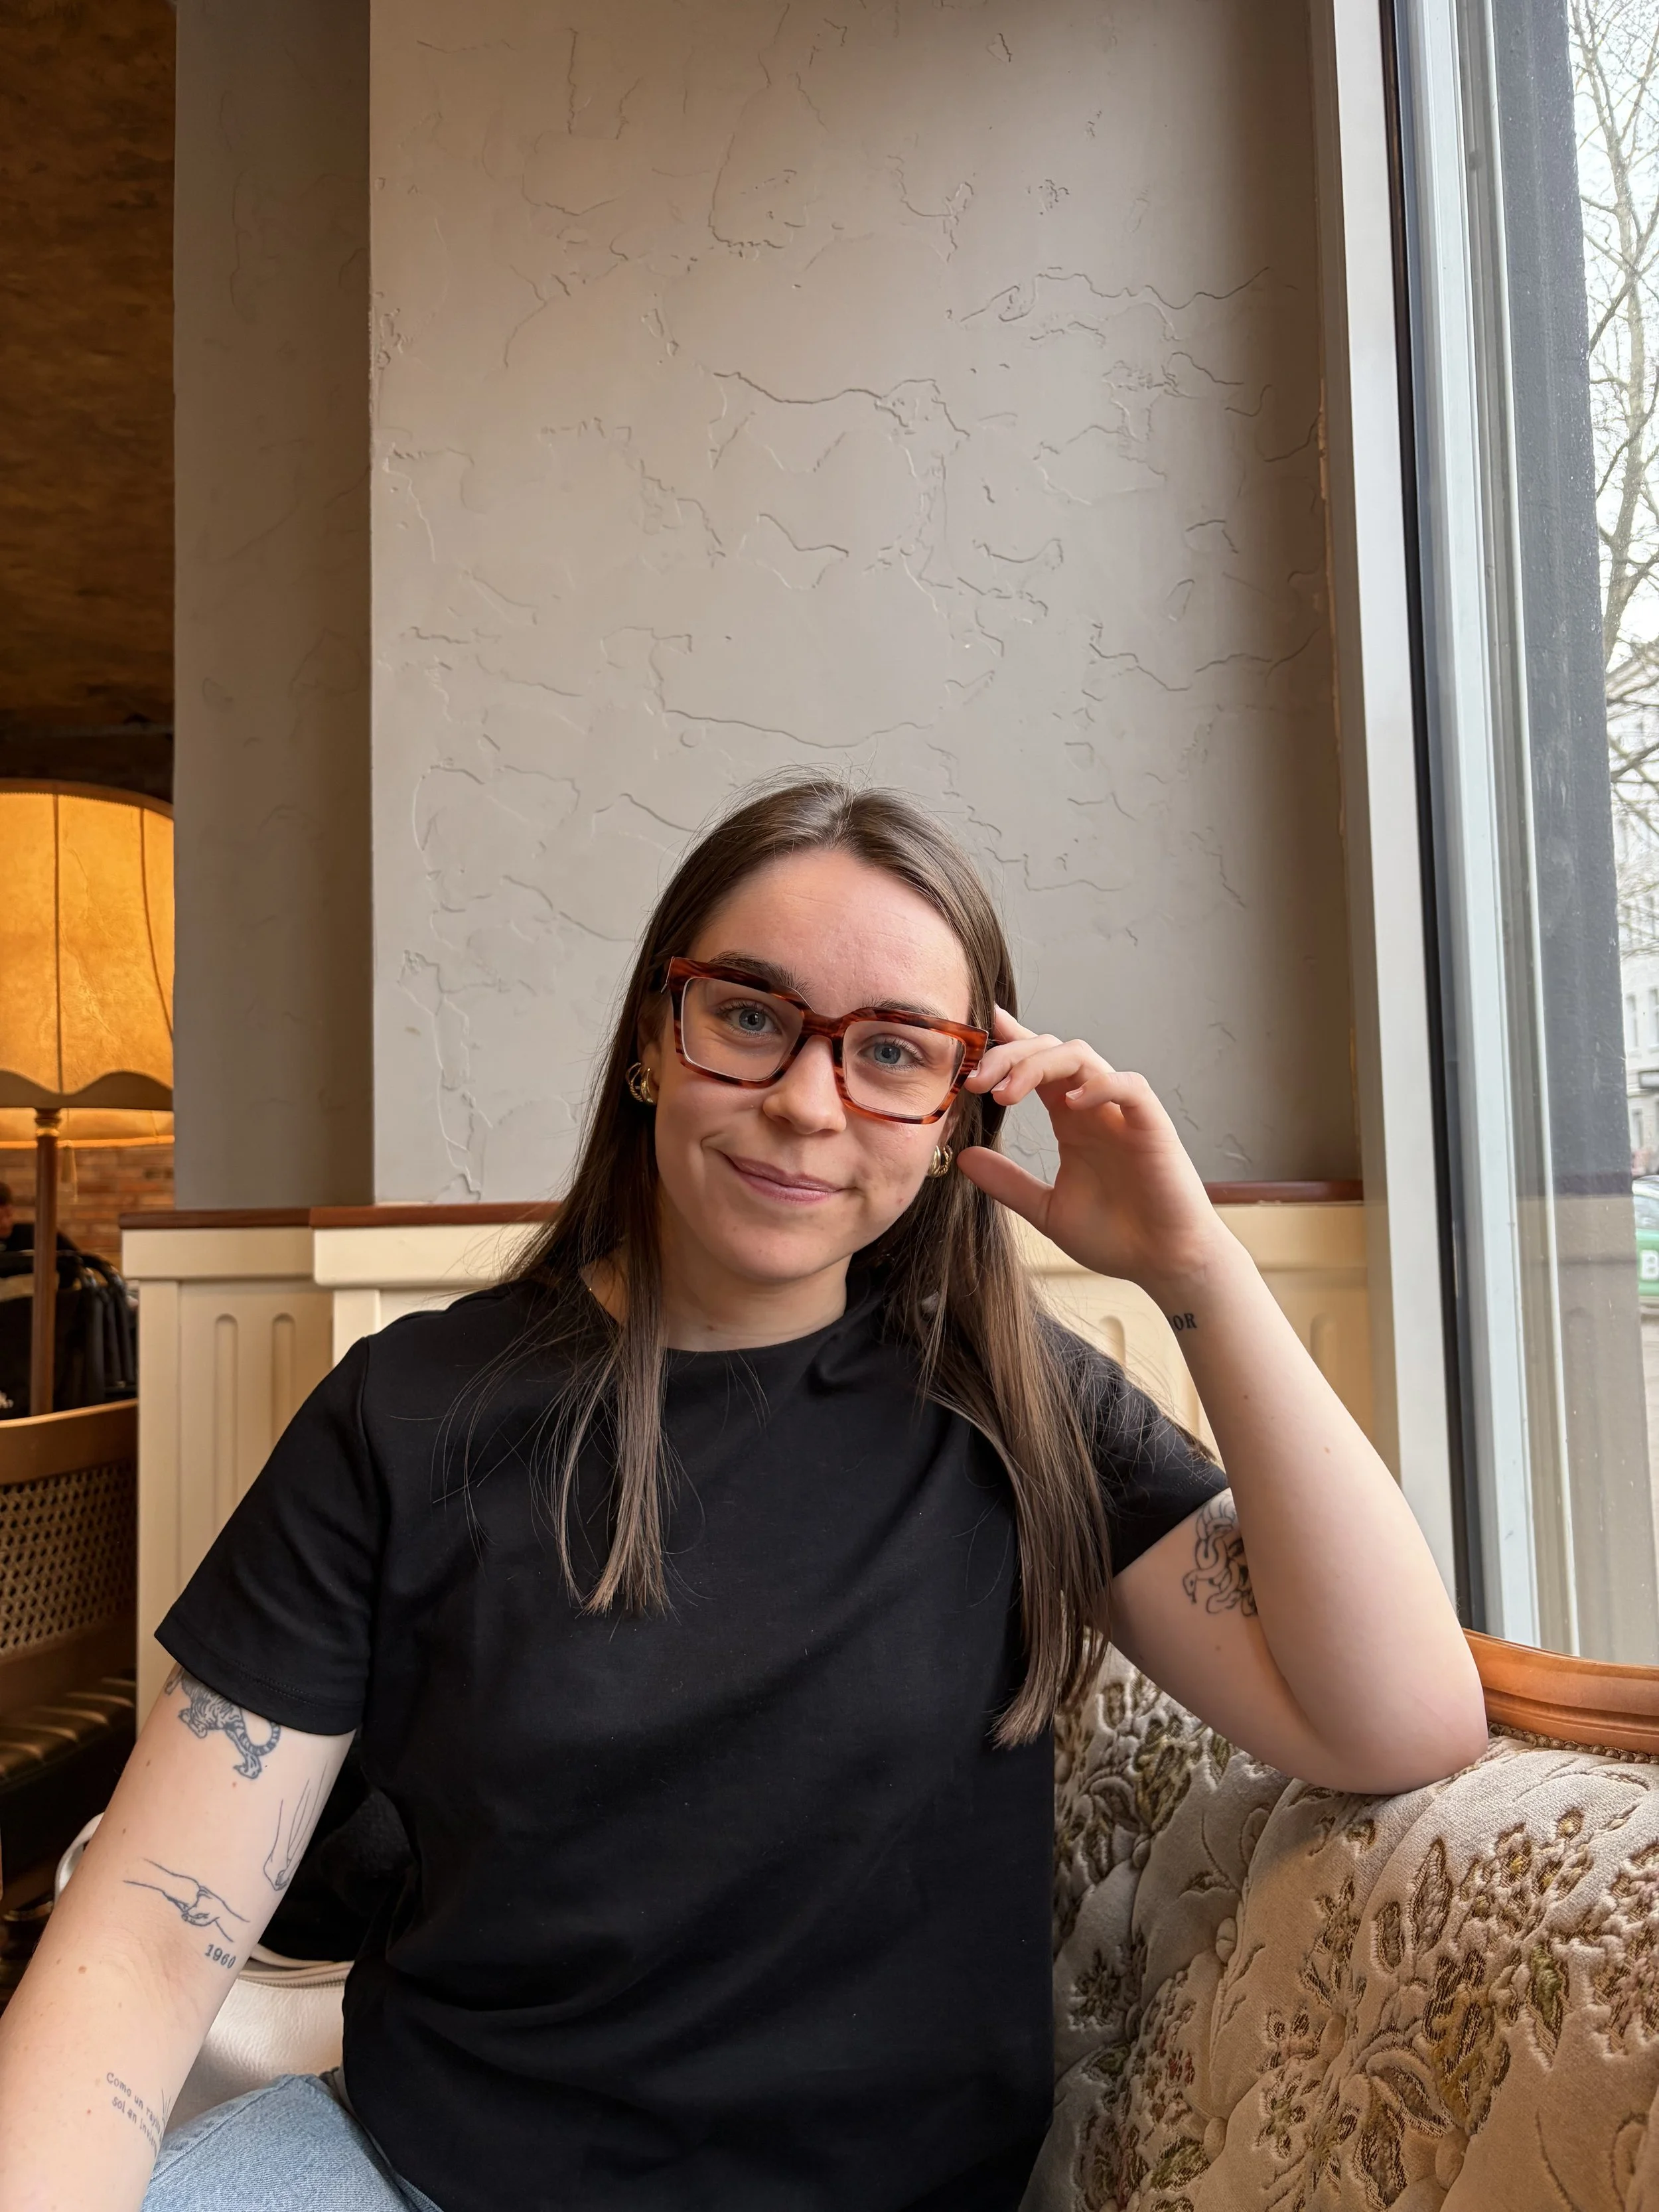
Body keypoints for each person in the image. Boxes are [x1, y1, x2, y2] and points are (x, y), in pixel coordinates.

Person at [0, 779, 1488, 2212]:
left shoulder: (1018, 1410)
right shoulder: (405, 1416)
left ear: (957, 1106)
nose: (802, 1100)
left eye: (891, 1051)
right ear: (658, 1032)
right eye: (751, 1016)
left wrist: (1195, 1274)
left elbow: (1399, 1717)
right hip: (408, 2171)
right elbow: (144, 1933)